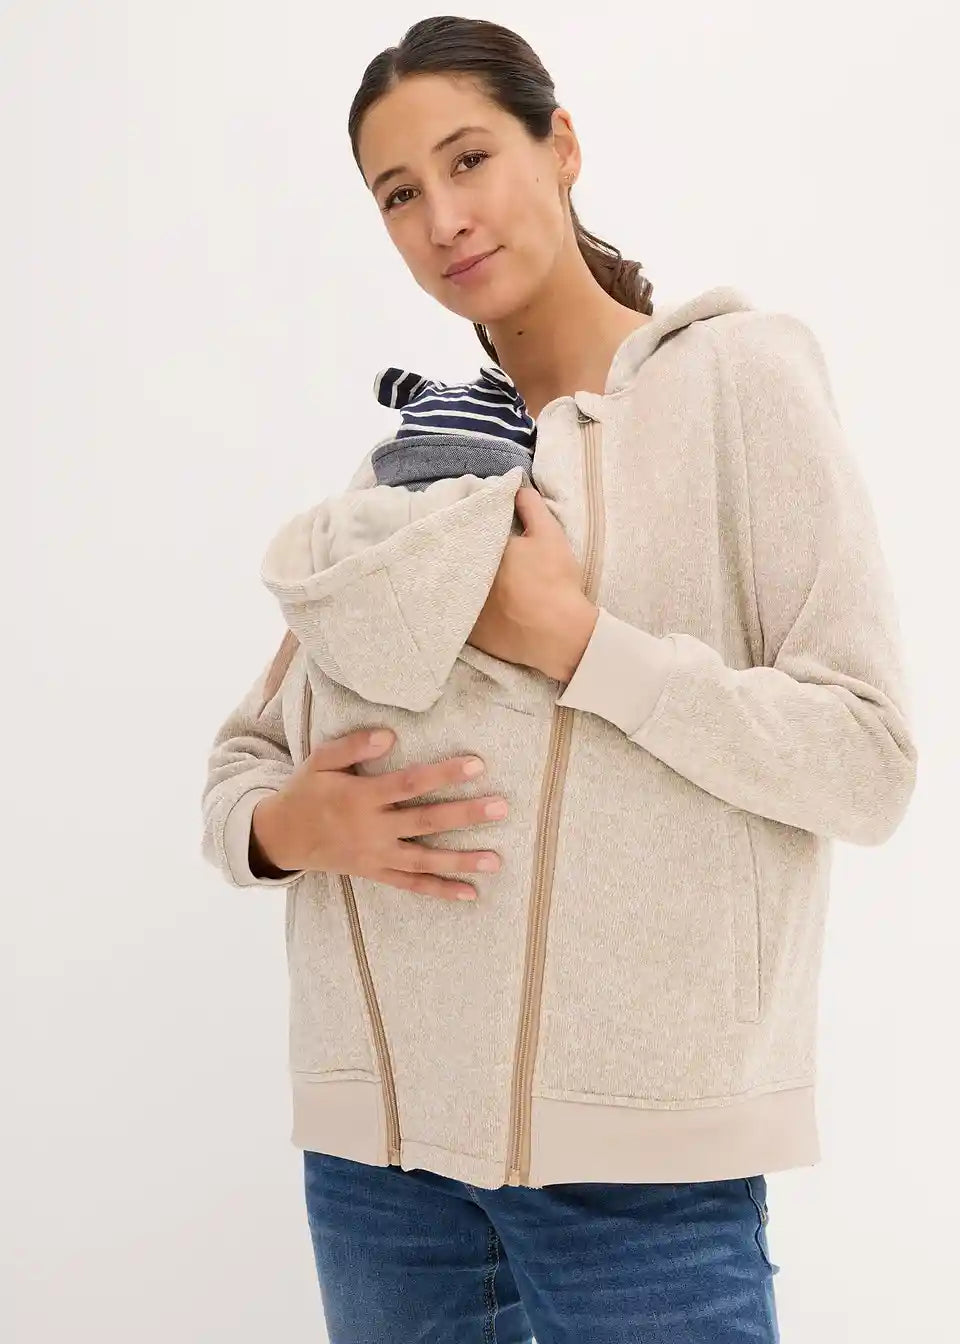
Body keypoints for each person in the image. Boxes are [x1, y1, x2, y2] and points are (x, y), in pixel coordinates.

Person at [199, 16, 918, 1342]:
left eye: (468, 159)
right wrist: (290, 827)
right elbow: (243, 760)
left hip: (642, 1171)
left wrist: (585, 649)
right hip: (379, 1164)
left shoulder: (739, 381)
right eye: (398, 194)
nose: (442, 219)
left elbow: (867, 759)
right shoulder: (412, 468)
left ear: (562, 143)